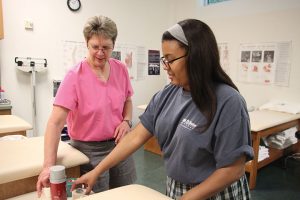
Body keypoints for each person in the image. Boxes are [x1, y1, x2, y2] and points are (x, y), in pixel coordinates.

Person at [72, 19, 254, 200]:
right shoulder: (168, 94)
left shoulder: (228, 101)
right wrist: (97, 171)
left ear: (196, 57)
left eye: (170, 59)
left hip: (215, 192)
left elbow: (233, 170)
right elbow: (135, 137)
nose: (165, 66)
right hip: (177, 187)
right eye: (163, 59)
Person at [36, 15, 136, 196]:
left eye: (106, 47)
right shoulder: (75, 76)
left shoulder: (120, 69)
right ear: (87, 44)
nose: (100, 52)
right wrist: (48, 166)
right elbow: (55, 123)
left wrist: (127, 121)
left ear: (113, 45)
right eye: (95, 47)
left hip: (120, 145)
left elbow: (127, 100)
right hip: (89, 150)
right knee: (97, 196)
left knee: (126, 193)